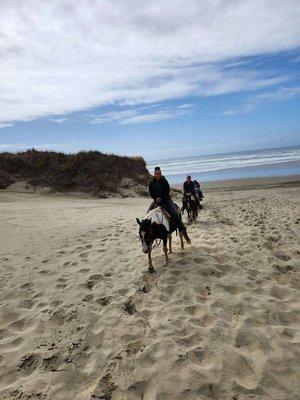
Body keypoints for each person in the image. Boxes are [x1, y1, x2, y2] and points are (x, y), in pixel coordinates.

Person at [148, 167, 191, 242]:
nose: (158, 175)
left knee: (174, 214)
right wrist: (155, 198)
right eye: (157, 174)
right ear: (154, 174)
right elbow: (151, 192)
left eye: (159, 173)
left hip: (166, 200)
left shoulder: (164, 181)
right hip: (156, 201)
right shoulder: (152, 182)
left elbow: (167, 190)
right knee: (148, 212)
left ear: (161, 174)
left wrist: (161, 197)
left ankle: (182, 228)